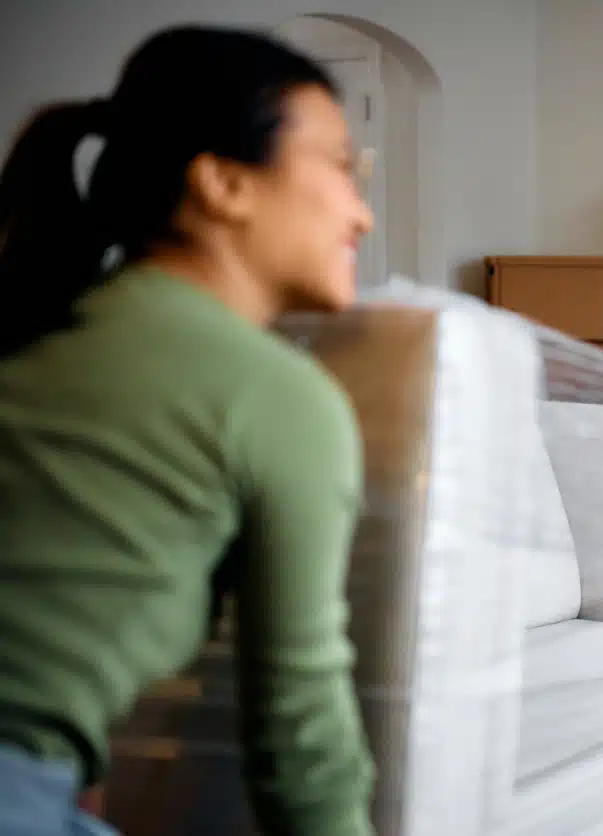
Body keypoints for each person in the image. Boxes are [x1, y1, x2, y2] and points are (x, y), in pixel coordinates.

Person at [0, 25, 377, 835]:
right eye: (343, 168)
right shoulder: (275, 396)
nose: (364, 214)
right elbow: (302, 729)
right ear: (223, 184)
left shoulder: (47, 324)